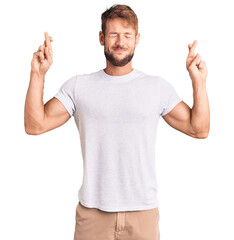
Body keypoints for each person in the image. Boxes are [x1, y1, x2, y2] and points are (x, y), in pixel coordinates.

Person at [24, 4, 210, 240]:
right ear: (101, 38)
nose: (120, 41)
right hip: (92, 215)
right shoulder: (79, 86)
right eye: (113, 34)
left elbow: (199, 129)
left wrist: (199, 81)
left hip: (143, 212)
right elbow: (35, 125)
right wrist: (37, 74)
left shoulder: (156, 87)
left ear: (137, 39)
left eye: (127, 35)